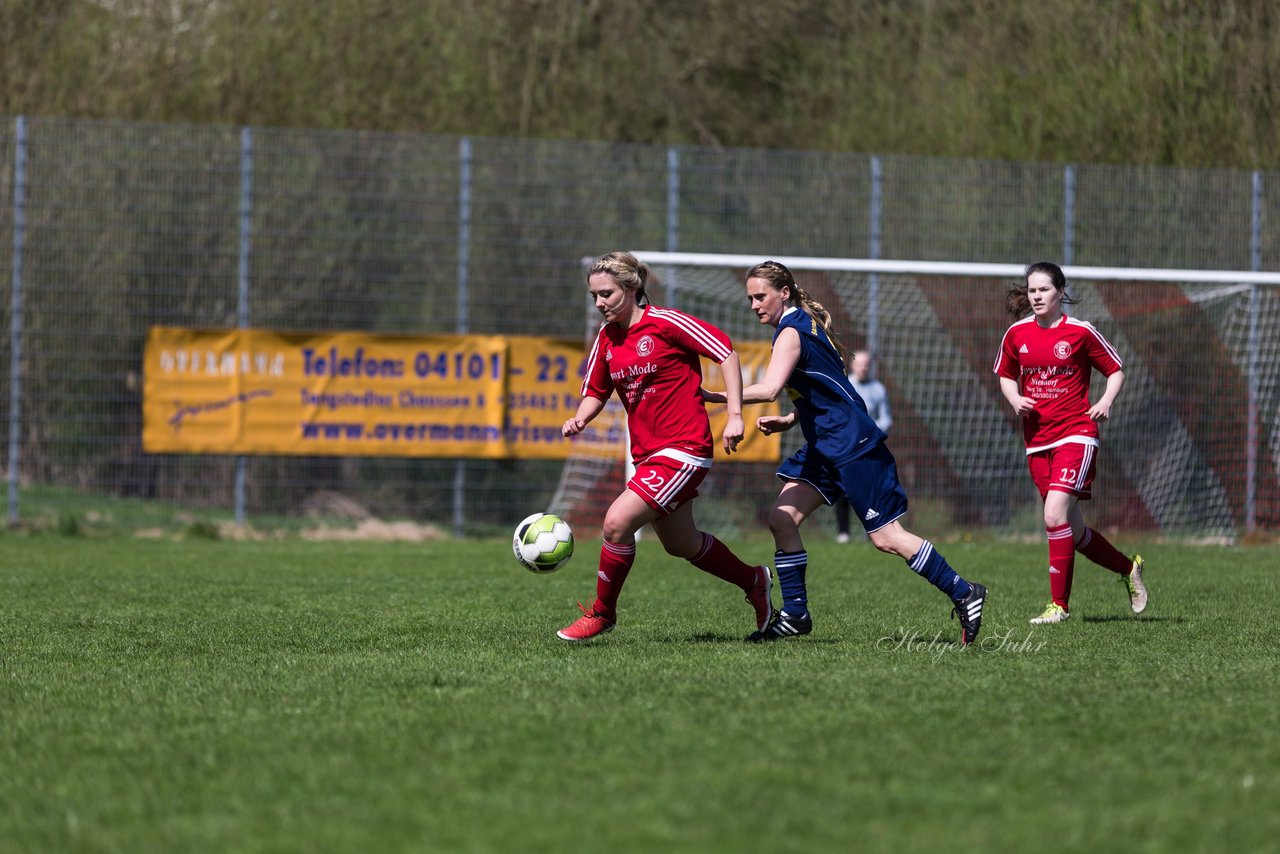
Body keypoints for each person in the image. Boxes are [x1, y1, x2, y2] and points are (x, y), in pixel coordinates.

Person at [706, 260, 987, 645]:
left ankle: (964, 592)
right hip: (826, 445)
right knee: (781, 519)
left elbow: (770, 388)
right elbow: (825, 387)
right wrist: (791, 419)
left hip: (852, 444)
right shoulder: (802, 323)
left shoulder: (791, 331)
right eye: (750, 298)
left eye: (761, 296)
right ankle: (796, 614)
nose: (754, 304)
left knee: (887, 537)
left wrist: (714, 396)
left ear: (783, 293)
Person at [556, 251, 772, 642]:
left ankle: (602, 614)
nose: (600, 303)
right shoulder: (606, 339)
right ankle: (754, 580)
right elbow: (595, 390)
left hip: (685, 450)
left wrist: (736, 414)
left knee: (616, 523)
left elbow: (725, 351)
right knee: (681, 543)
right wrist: (581, 417)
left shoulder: (666, 323)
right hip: (648, 456)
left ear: (632, 287)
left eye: (606, 294)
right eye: (594, 297)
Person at [994, 261, 1147, 625]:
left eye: (1043, 289)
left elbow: (1115, 369)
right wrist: (1014, 399)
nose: (1036, 296)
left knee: (1052, 516)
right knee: (1073, 532)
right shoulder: (1016, 334)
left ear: (1060, 292)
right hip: (1037, 441)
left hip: (1077, 434)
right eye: (1031, 290)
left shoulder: (1080, 332)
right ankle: (1129, 569)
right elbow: (1004, 374)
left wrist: (1106, 401)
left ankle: (1058, 606)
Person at [835, 349, 892, 543]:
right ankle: (843, 533)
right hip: (848, 445)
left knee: (871, 490)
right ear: (852, 365)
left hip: (870, 445)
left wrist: (872, 431)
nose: (863, 367)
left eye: (866, 364)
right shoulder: (845, 385)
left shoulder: (878, 389)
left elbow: (885, 418)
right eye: (860, 363)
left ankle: (874, 531)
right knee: (844, 488)